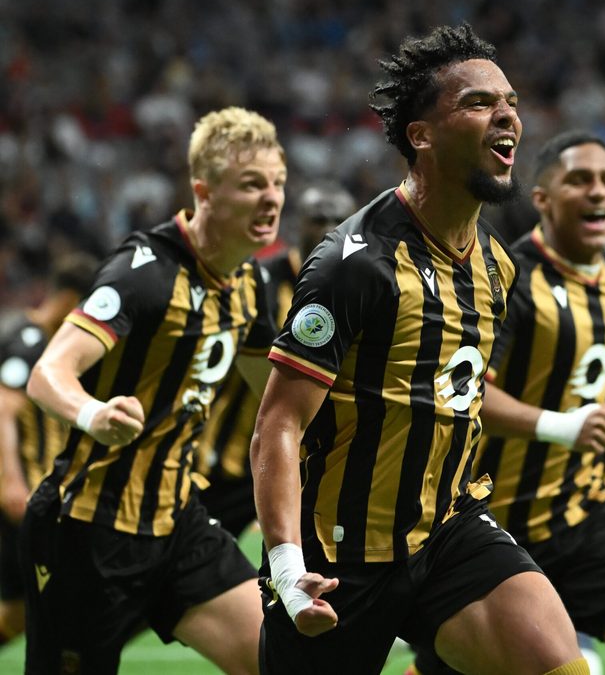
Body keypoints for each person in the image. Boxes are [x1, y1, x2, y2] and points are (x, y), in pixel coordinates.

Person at [250, 24, 586, 675]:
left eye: (510, 101)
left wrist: (556, 424)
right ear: (421, 135)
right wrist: (288, 566)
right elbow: (279, 423)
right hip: (340, 551)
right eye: (479, 102)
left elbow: (459, 387)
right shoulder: (357, 264)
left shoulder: (497, 265)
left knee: (559, 663)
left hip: (448, 529)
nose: (507, 115)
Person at [409, 132, 605, 675]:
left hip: (579, 512)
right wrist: (561, 427)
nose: (598, 192)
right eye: (579, 180)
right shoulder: (508, 280)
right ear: (543, 199)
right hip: (496, 516)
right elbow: (464, 389)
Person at [21, 106, 285, 674]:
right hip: (90, 528)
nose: (271, 199)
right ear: (204, 191)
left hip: (177, 522)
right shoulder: (142, 273)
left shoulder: (250, 281)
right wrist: (94, 414)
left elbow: (279, 398)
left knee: (275, 659)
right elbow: (49, 374)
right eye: (251, 184)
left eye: (277, 183)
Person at [195, 182, 356, 538]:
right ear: (297, 223)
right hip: (226, 461)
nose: (328, 226)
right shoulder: (259, 281)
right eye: (318, 217)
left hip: (304, 461)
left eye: (339, 219)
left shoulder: (358, 290)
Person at [0, 252, 98, 648]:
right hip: (20, 498)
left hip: (41, 497)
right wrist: (11, 484)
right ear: (71, 298)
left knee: (23, 608)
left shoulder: (51, 344)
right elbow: (4, 412)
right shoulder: (27, 340)